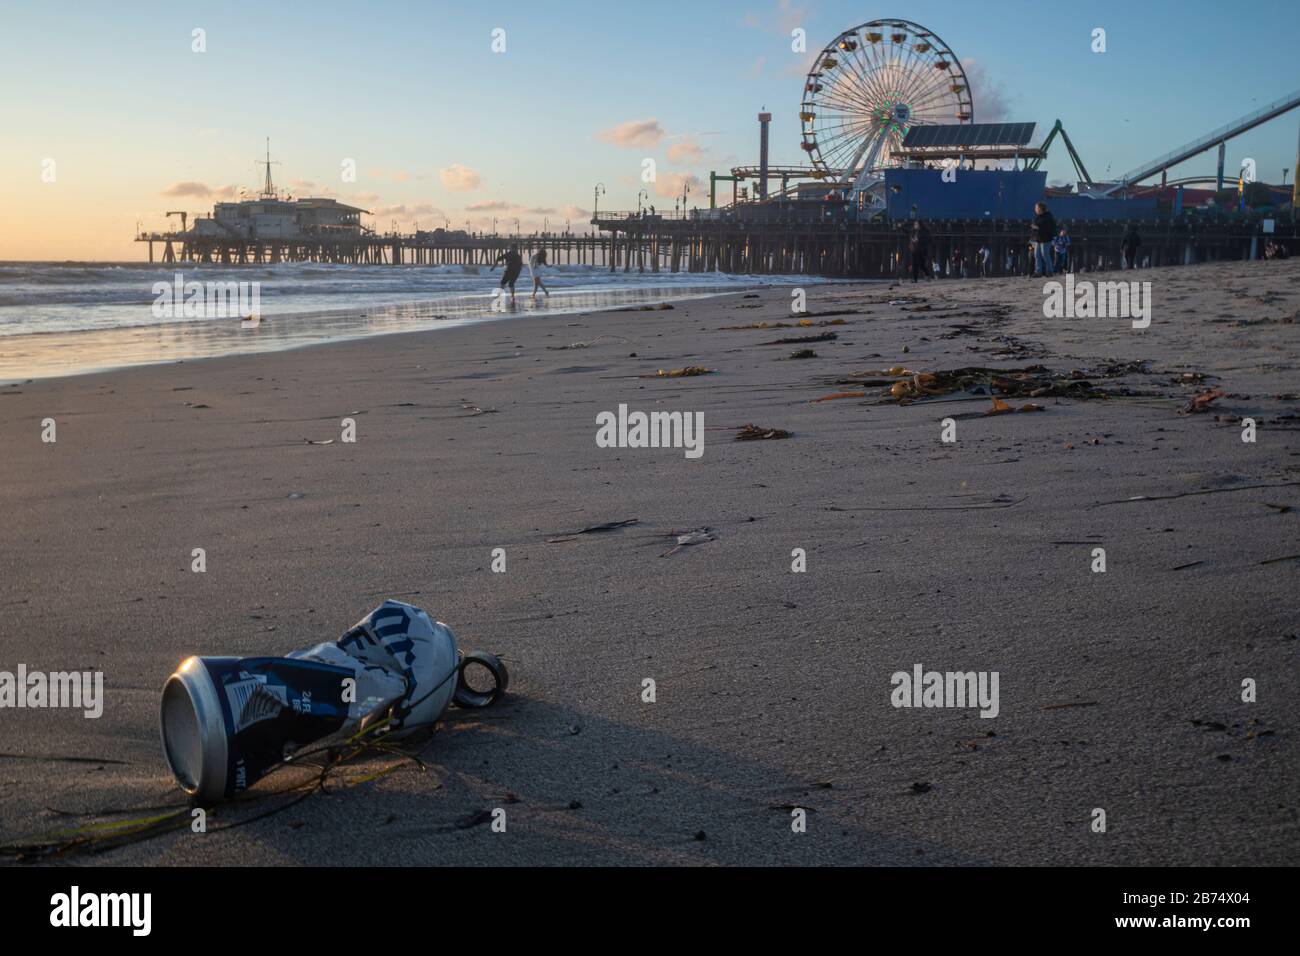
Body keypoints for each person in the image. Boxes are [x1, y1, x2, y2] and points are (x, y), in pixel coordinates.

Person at [1030, 202, 1057, 277]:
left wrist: (1037, 228)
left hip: (1046, 239)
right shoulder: (1038, 216)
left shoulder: (1048, 216)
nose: (1035, 209)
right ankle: (1038, 272)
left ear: (1040, 209)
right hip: (1038, 239)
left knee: (1045, 255)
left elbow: (1048, 228)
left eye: (1036, 208)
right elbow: (1036, 226)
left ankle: (1050, 271)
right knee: (1037, 255)